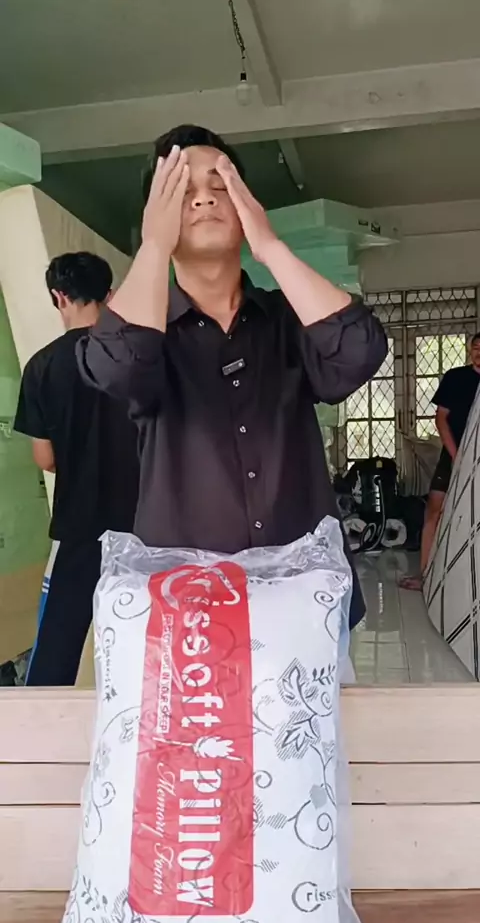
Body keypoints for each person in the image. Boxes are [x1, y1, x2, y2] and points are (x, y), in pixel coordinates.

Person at [78, 125, 387, 629]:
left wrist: (270, 245)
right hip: (190, 619)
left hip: (306, 606)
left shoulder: (286, 321)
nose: (204, 199)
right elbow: (116, 367)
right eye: (182, 192)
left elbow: (359, 351)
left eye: (220, 186)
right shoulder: (147, 336)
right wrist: (153, 246)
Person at [14, 252, 140, 685]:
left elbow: (45, 458)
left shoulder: (42, 366)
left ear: (59, 296)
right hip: (144, 525)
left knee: (57, 646)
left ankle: (41, 724)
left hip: (79, 526)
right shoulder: (135, 357)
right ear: (110, 295)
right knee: (144, 634)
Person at [401, 333, 480, 590]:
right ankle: (425, 575)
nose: (479, 352)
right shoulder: (456, 378)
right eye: (475, 347)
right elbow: (441, 418)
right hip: (455, 453)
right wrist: (457, 456)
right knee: (435, 510)